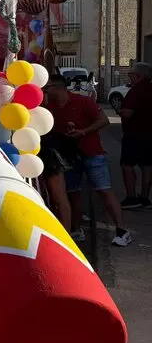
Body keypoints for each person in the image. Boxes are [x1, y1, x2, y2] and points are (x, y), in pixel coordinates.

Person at [43, 74, 132, 247]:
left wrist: (83, 131)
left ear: (59, 87)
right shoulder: (49, 107)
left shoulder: (83, 102)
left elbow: (104, 120)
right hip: (68, 156)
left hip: (92, 153)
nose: (45, 91)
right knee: (73, 193)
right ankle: (76, 230)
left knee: (103, 190)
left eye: (48, 87)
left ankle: (122, 230)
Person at [119, 62, 152, 210]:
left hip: (134, 134)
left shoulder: (136, 91)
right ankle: (145, 198)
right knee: (147, 165)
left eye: (131, 74)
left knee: (127, 165)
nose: (129, 77)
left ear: (139, 76)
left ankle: (132, 197)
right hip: (149, 134)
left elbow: (127, 113)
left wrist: (119, 111)